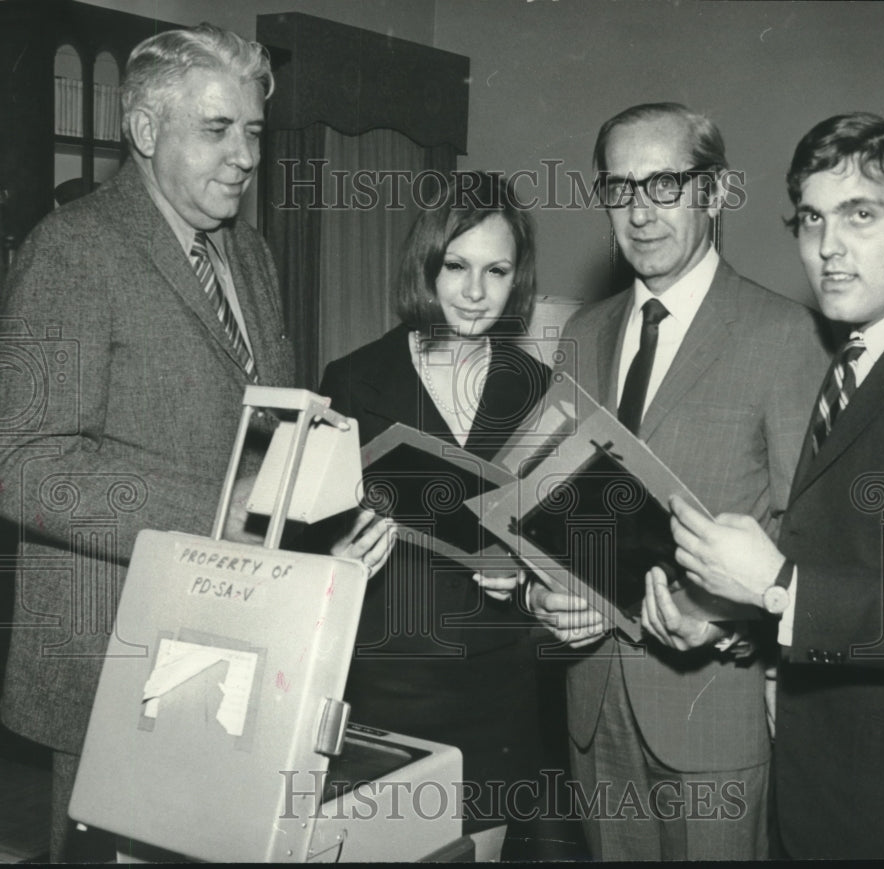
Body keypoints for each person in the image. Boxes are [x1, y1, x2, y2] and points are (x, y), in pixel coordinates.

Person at [0, 24, 390, 861]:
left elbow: (263, 425)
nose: (244, 155)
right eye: (217, 130)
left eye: (252, 131)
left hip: (243, 649)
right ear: (145, 131)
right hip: (116, 655)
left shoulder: (248, 251)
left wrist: (321, 503)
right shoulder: (71, 251)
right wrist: (226, 515)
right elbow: (24, 463)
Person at [668, 112, 884, 859]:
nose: (828, 248)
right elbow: (850, 553)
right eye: (811, 220)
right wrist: (735, 611)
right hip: (821, 796)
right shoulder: (856, 353)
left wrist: (778, 584)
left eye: (860, 215)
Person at [527, 102, 831, 861]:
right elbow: (549, 501)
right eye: (620, 187)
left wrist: (726, 618)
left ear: (716, 191)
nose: (639, 210)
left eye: (664, 184)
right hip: (593, 702)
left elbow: (809, 532)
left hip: (712, 706)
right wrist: (543, 592)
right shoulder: (583, 334)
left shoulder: (781, 333)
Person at [318, 171, 551, 858]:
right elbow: (302, 546)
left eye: (496, 270)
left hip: (496, 687)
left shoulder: (536, 391)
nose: (475, 292)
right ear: (428, 264)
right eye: (457, 266)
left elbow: (566, 547)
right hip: (385, 681)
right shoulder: (355, 380)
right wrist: (338, 556)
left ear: (518, 279)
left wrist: (529, 570)